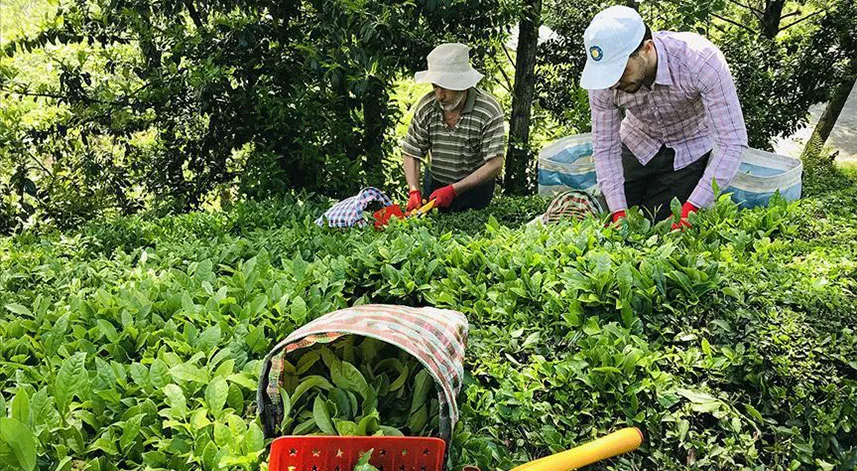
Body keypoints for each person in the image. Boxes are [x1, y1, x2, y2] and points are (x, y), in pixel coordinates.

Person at [580, 6, 748, 229]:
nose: (613, 83)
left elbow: (732, 142)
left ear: (646, 48)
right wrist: (618, 212)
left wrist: (691, 211)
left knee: (660, 227)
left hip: (690, 146)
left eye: (621, 71)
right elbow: (605, 147)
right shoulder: (605, 80)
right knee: (605, 220)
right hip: (638, 140)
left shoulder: (701, 61)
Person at [402, 43, 506, 213]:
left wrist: (454, 190)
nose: (439, 95)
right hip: (436, 186)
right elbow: (412, 152)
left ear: (462, 84)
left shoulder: (488, 110)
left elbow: (495, 164)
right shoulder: (427, 107)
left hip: (475, 190)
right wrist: (414, 190)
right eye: (435, 86)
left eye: (445, 87)